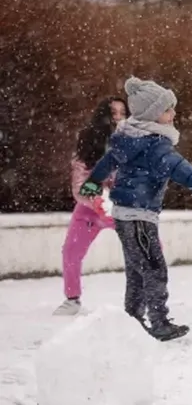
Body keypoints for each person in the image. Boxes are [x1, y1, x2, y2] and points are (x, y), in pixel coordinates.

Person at [81, 77, 192, 341]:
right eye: (169, 109)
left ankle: (132, 320)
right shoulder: (156, 146)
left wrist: (93, 182)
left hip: (125, 215)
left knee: (137, 269)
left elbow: (107, 161)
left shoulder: (127, 138)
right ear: (154, 115)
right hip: (140, 216)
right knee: (154, 268)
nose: (174, 113)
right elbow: (186, 173)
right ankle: (158, 323)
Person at [53, 97, 128, 316]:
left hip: (123, 208)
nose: (118, 118)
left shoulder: (134, 141)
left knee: (149, 247)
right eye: (114, 113)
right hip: (90, 209)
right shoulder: (88, 141)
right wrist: (99, 200)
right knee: (71, 251)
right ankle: (72, 299)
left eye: (122, 113)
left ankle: (153, 296)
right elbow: (79, 181)